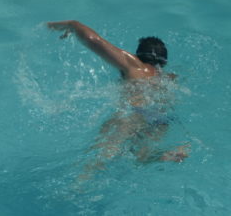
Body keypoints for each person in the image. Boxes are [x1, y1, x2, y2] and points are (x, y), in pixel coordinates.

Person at [47, 20, 189, 178]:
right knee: (140, 159)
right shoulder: (169, 78)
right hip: (162, 121)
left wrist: (73, 25)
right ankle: (163, 155)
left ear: (137, 55)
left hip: (135, 114)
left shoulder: (135, 66)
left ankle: (75, 189)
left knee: (95, 160)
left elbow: (94, 40)